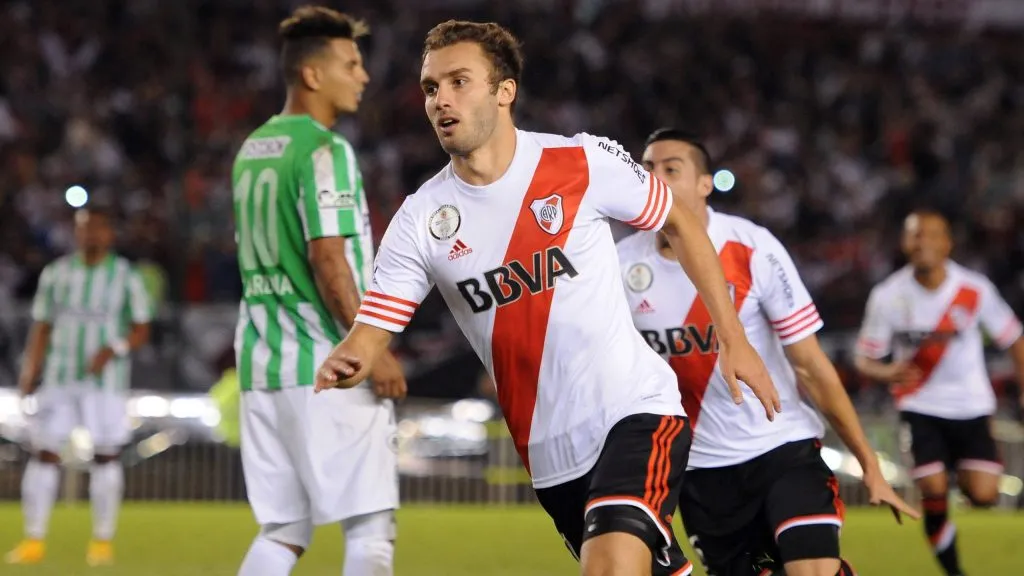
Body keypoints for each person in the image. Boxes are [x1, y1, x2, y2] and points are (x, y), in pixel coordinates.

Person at [315, 20, 780, 576]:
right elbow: (375, 324)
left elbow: (680, 220)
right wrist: (352, 356)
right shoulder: (421, 218)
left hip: (633, 412)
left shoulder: (580, 162)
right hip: (549, 454)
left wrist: (733, 337)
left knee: (608, 568)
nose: (441, 99)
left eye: (459, 81)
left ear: (503, 91)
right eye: (430, 87)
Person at [616, 129, 919, 576]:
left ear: (704, 184)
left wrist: (869, 462)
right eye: (646, 168)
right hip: (700, 468)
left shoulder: (752, 247)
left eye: (670, 169)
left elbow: (812, 366)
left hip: (781, 447)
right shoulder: (620, 262)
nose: (654, 178)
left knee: (809, 569)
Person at [230, 7, 406, 576]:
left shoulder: (252, 149)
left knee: (283, 531)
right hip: (326, 363)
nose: (363, 76)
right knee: (371, 528)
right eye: (350, 64)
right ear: (312, 75)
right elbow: (328, 258)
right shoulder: (326, 151)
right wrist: (368, 348)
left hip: (261, 363)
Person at [854, 209, 1024, 576]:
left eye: (932, 234)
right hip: (920, 406)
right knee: (932, 487)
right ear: (904, 243)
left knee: (983, 494)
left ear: (948, 243)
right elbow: (865, 358)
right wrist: (888, 371)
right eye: (915, 235)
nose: (923, 242)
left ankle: (959, 491)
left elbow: (1014, 337)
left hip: (972, 406)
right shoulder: (887, 296)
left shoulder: (975, 290)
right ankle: (954, 570)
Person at [5, 206, 152, 567]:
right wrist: (29, 373)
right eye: (84, 229)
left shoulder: (125, 275)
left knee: (106, 456)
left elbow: (141, 328)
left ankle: (102, 541)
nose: (90, 235)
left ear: (110, 234)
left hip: (106, 383)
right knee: (44, 454)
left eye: (98, 228)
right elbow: (42, 327)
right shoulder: (57, 273)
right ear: (76, 232)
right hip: (59, 377)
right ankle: (33, 539)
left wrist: (113, 349)